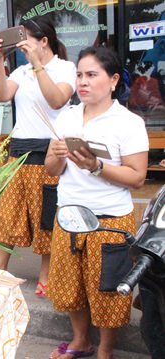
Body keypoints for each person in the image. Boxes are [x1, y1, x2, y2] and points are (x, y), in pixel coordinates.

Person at [45, 46, 148, 359]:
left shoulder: (128, 122)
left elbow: (138, 177)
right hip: (69, 215)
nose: (83, 82)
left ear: (113, 79)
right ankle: (80, 340)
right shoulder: (67, 117)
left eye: (92, 74)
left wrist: (97, 167)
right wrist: (58, 156)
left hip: (110, 220)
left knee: (108, 290)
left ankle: (104, 349)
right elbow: (51, 170)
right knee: (69, 285)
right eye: (79, 75)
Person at [0, 17, 76, 297]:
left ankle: (45, 275)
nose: (22, 43)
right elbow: (2, 95)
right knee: (9, 214)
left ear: (44, 41)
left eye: (26, 37)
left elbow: (57, 100)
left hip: (49, 150)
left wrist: (38, 64)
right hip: (19, 149)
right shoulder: (21, 71)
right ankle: (0, 270)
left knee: (45, 217)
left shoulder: (66, 68)